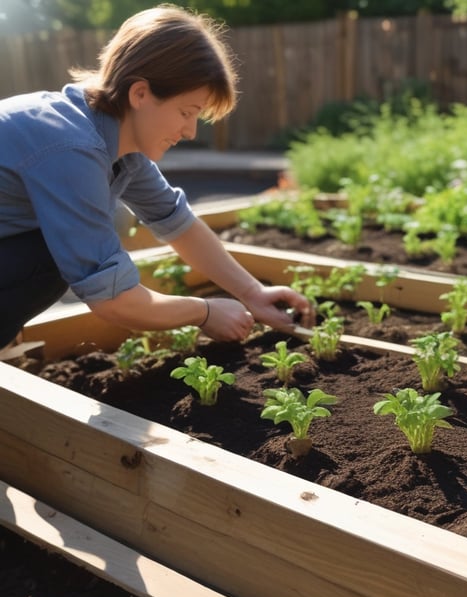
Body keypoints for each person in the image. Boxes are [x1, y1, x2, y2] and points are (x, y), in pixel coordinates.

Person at [0, 4, 313, 351]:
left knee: (105, 221)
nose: (191, 131)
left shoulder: (115, 142)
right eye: (186, 112)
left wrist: (253, 292)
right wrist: (204, 312)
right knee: (54, 255)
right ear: (140, 94)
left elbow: (177, 222)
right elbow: (112, 299)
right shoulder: (71, 148)